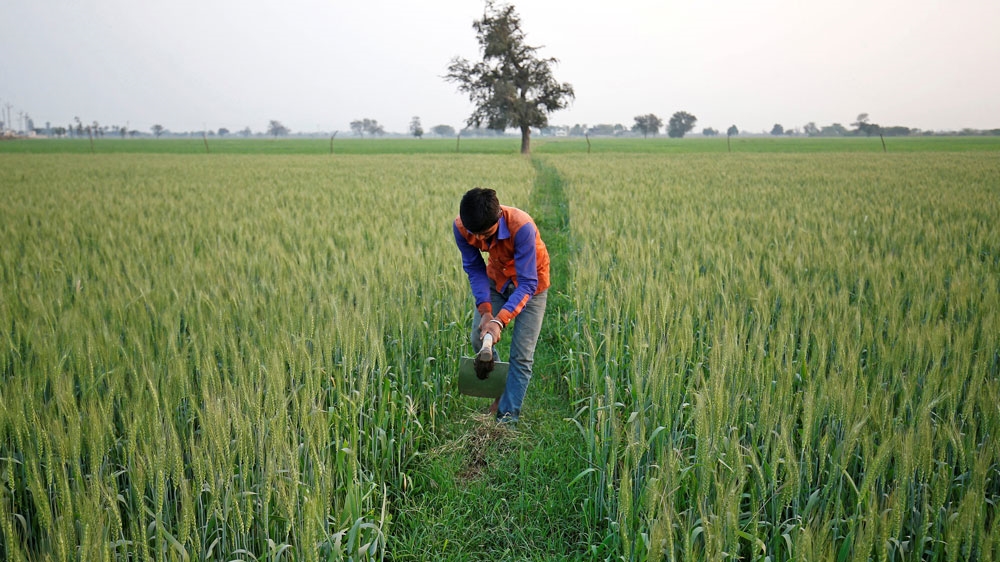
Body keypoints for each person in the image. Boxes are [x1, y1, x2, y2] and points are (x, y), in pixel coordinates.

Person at [453, 187, 549, 424]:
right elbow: (475, 269)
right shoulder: (461, 228)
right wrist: (486, 312)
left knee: (522, 356)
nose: (482, 240)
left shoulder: (522, 227)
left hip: (532, 286)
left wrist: (499, 321)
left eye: (487, 234)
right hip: (497, 280)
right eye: (476, 235)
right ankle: (500, 394)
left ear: (498, 218)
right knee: (479, 338)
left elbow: (527, 283)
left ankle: (507, 420)